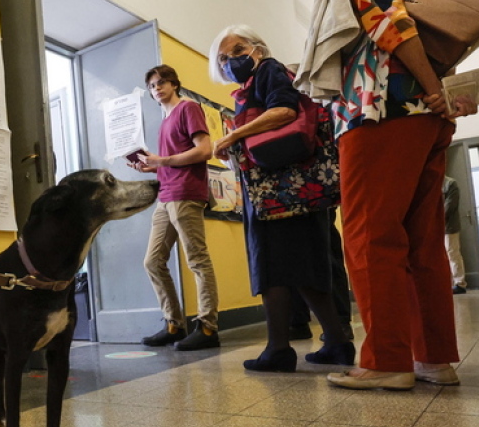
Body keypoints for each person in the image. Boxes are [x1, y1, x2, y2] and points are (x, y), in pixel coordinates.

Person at [295, 0, 478, 390]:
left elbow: (391, 25)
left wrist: (433, 88)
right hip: (420, 116)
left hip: (374, 110)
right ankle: (432, 358)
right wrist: (436, 95)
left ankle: (386, 360)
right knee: (422, 242)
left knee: (369, 235)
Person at [209, 26, 354, 372]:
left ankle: (278, 349)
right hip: (291, 187)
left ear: (258, 49)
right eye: (223, 58)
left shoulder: (269, 70)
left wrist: (232, 136)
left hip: (277, 188)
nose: (231, 61)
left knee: (272, 265)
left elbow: (285, 111)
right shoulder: (252, 85)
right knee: (301, 267)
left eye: (238, 50)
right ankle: (336, 343)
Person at [130, 64, 222, 351]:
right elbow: (170, 161)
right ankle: (174, 324)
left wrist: (162, 161)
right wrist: (152, 167)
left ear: (174, 84)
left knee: (197, 259)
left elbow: (204, 150)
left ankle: (208, 328)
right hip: (166, 194)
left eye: (161, 83)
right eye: (152, 86)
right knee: (152, 261)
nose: (156, 89)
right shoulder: (165, 120)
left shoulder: (188, 108)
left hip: (186, 193)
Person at [443, 175, 468, 294]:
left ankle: (459, 283)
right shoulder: (431, 182)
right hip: (435, 227)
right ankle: (448, 283)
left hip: (449, 227)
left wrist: (434, 218)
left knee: (452, 254)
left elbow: (450, 206)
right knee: (443, 257)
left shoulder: (450, 183)